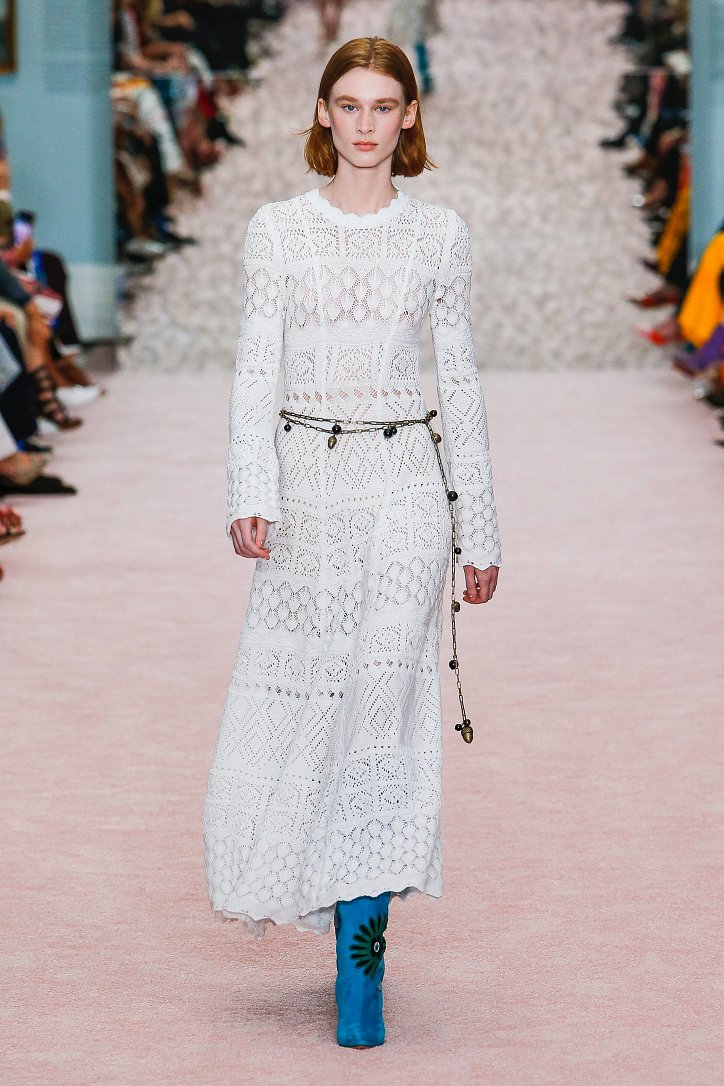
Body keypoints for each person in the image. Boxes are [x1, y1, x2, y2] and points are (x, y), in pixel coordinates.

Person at [203, 35, 502, 1049]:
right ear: (323, 114)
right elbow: (255, 365)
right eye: (349, 104)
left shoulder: (439, 235)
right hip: (307, 485)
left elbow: (458, 380)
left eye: (384, 106)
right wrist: (251, 488)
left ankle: (360, 978)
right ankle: (336, 908)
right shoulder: (278, 231)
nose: (366, 124)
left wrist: (478, 527)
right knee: (310, 711)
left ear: (409, 116)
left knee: (379, 714)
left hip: (405, 486)